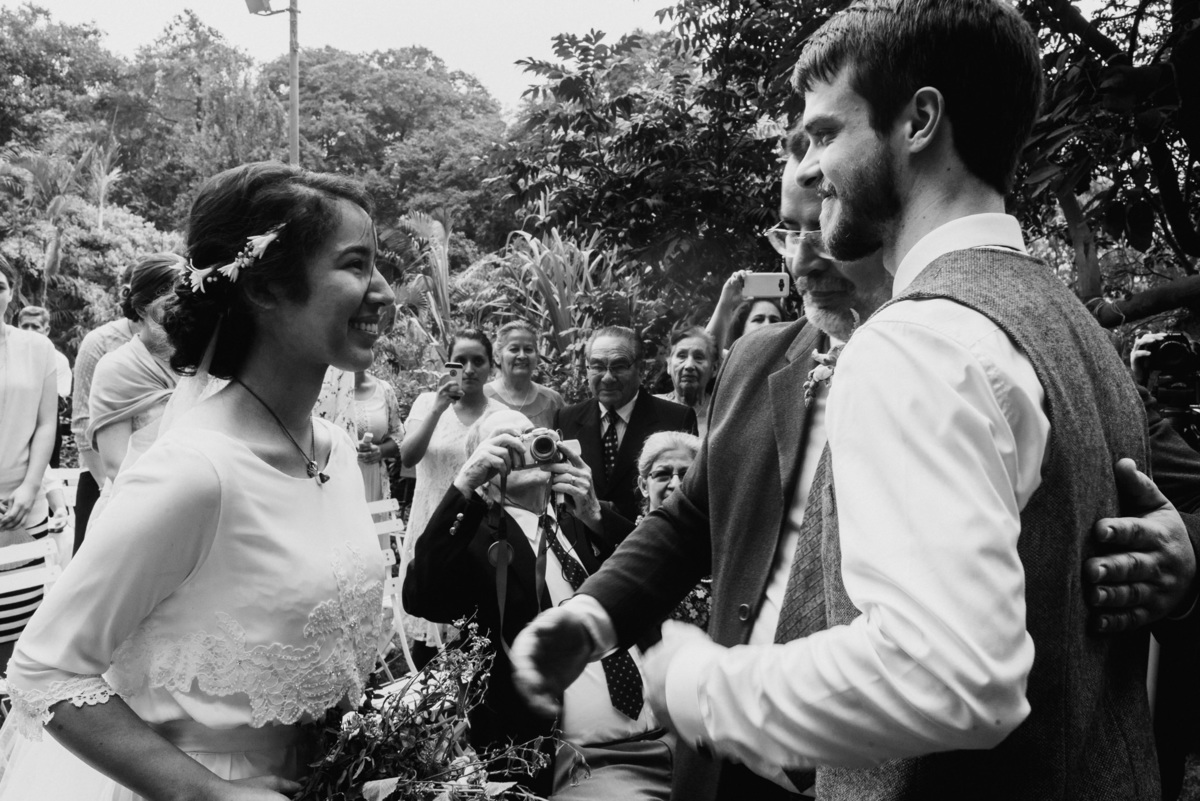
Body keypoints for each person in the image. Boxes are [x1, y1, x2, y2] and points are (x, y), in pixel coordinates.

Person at [512, 76, 1197, 801]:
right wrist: (589, 615)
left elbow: (1140, 498)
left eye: (824, 226)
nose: (804, 258)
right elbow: (688, 518)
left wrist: (1185, 563)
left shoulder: (984, 345)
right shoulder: (756, 360)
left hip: (915, 773)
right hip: (733, 763)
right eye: (786, 229)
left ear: (882, 214)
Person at [0, 160, 394, 800]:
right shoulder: (195, 472)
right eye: (354, 265)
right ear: (264, 289)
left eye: (379, 265)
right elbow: (44, 671)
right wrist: (210, 792)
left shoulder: (338, 453)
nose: (381, 290)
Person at [403, 408, 669, 800]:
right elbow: (420, 596)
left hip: (669, 732)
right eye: (509, 444)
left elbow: (659, 577)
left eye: (533, 435)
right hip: (576, 761)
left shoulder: (584, 517)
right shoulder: (474, 542)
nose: (527, 447)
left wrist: (596, 513)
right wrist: (464, 487)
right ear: (485, 470)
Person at [400, 329, 505, 650]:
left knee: (467, 631)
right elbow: (408, 456)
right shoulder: (425, 404)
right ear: (449, 365)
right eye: (461, 361)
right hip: (428, 521)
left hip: (471, 532)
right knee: (424, 632)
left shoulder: (499, 417)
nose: (470, 369)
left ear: (491, 367)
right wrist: (437, 407)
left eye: (478, 361)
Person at [554, 326, 697, 523]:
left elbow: (688, 492)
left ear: (641, 369)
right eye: (597, 366)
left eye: (619, 366)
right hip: (583, 548)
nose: (607, 377)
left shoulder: (675, 420)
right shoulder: (565, 419)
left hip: (649, 540)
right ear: (586, 368)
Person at [0, 257, 58, 669]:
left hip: (23, 506)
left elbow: (45, 423)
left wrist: (31, 486)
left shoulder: (37, 348)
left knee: (19, 627)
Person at [86, 254, 184, 493]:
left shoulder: (205, 363)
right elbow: (116, 465)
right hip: (136, 498)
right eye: (171, 304)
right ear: (141, 308)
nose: (182, 311)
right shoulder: (116, 368)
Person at [70, 266, 136, 551]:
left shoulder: (178, 342)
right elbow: (82, 424)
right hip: (99, 477)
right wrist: (108, 492)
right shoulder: (99, 343)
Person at [635, 431, 709, 630]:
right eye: (662, 474)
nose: (675, 484)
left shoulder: (720, 542)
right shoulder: (628, 549)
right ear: (643, 485)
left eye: (686, 474)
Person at [485, 320, 565, 429]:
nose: (522, 355)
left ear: (537, 356)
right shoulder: (482, 397)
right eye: (514, 349)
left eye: (528, 349)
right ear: (498, 356)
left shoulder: (552, 401)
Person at [350, 369, 403, 504]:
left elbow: (399, 435)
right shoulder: (324, 387)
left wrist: (380, 451)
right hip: (334, 479)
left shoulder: (384, 390)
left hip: (372, 477)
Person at [653, 328, 717, 438]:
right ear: (668, 365)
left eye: (698, 357)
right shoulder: (650, 408)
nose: (689, 366)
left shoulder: (722, 412)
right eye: (682, 356)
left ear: (714, 369)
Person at [705, 271, 788, 352]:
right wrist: (726, 303)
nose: (767, 325)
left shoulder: (793, 362)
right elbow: (707, 351)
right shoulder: (729, 362)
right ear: (741, 330)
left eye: (774, 321)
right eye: (758, 319)